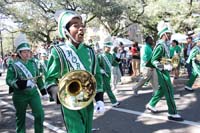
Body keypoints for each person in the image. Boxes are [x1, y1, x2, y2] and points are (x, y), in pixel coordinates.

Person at [45, 10, 104, 133]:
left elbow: (97, 75)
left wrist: (99, 98)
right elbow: (50, 79)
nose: (81, 29)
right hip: (69, 102)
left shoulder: (90, 51)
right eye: (75, 25)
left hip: (87, 100)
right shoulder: (58, 51)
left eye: (82, 25)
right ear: (66, 30)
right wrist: (58, 93)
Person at [6, 33, 48, 133]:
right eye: (24, 52)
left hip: (33, 94)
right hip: (20, 95)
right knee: (20, 118)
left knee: (40, 115)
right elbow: (9, 80)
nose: (27, 54)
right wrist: (20, 84)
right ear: (19, 53)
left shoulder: (33, 63)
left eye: (28, 52)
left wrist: (43, 91)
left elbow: (38, 79)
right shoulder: (14, 65)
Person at [146, 21, 183, 121]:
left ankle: (151, 104)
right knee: (169, 90)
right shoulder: (160, 46)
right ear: (164, 34)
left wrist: (171, 62)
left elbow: (162, 59)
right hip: (162, 72)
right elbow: (154, 60)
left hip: (164, 70)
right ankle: (172, 113)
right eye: (169, 34)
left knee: (163, 89)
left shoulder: (165, 45)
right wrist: (164, 67)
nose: (170, 36)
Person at [98, 38, 120, 106]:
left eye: (110, 47)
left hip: (109, 74)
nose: (109, 49)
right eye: (108, 47)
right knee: (108, 88)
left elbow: (114, 63)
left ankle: (99, 100)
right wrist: (101, 70)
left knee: (103, 89)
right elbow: (97, 65)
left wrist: (118, 59)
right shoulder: (100, 56)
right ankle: (114, 102)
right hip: (103, 75)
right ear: (104, 47)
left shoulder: (110, 55)